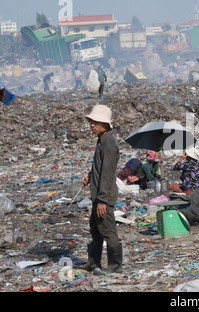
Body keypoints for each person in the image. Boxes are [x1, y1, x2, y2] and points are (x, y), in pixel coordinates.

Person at [79, 104, 122, 274]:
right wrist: (89, 175)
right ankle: (92, 261)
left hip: (104, 196)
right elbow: (99, 167)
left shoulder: (109, 143)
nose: (92, 125)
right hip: (98, 194)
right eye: (91, 121)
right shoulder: (102, 140)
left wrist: (103, 199)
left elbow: (107, 173)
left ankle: (115, 266)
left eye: (96, 122)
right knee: (95, 228)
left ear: (105, 124)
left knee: (108, 229)